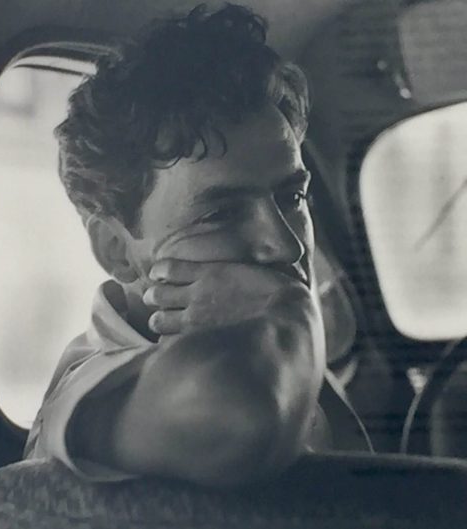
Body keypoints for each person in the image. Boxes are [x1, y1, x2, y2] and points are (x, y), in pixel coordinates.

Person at [24, 3, 370, 488]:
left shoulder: (270, 345)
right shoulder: (94, 385)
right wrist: (291, 314)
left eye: (291, 197)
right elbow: (235, 418)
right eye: (220, 215)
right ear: (117, 250)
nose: (285, 247)